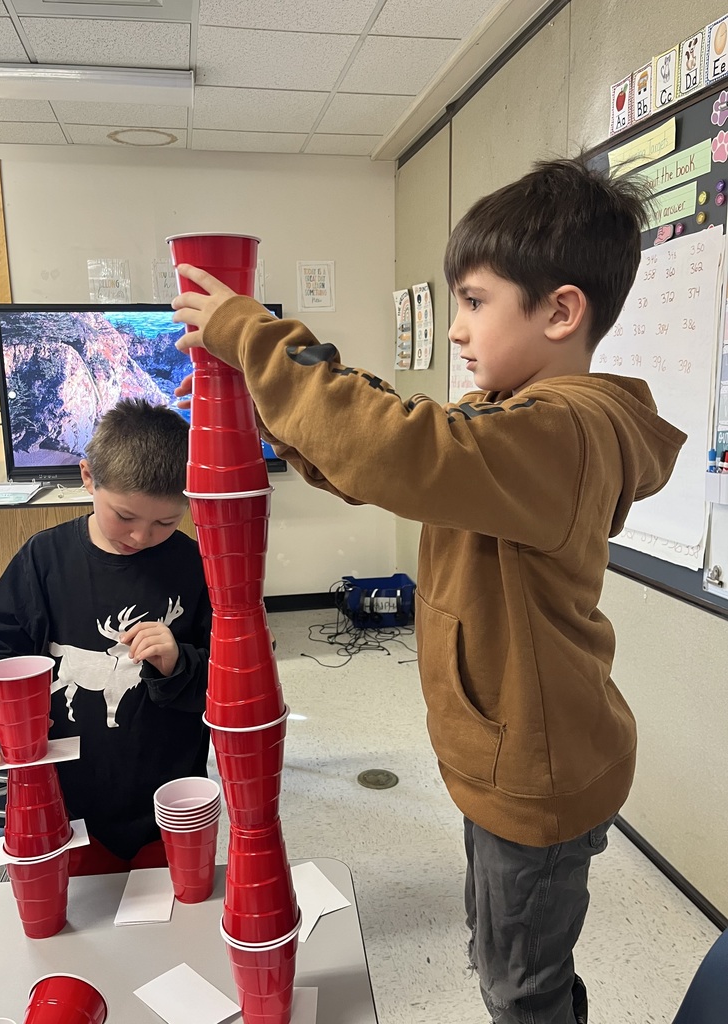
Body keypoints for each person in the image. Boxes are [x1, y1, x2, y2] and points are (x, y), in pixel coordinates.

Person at [169, 157, 687, 1024]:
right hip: (509, 762)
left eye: (475, 302)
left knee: (518, 988)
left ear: (561, 310)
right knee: (509, 955)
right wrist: (273, 406)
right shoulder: (515, 420)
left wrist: (258, 339)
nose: (455, 331)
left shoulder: (564, 429)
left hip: (537, 773)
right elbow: (385, 462)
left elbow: (402, 448)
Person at [0, 399, 211, 876]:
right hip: (66, 802)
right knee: (78, 925)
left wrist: (179, 662)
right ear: (88, 477)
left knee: (175, 920)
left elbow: (233, 681)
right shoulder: (43, 559)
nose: (143, 535)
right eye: (125, 516)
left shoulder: (198, 566)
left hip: (169, 797)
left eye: (167, 522)